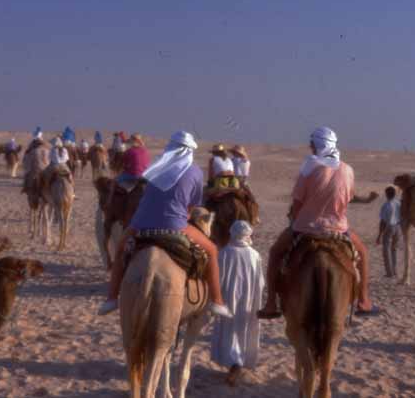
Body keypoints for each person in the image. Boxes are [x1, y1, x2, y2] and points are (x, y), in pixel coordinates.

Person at [97, 131, 232, 318]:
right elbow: (193, 205)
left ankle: (111, 299)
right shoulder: (194, 171)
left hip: (141, 222)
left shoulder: (156, 166)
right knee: (211, 251)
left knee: (120, 249)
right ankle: (217, 301)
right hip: (175, 223)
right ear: (189, 151)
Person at [257, 127, 379, 319]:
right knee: (362, 252)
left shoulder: (309, 167)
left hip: (305, 227)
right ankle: (363, 300)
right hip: (338, 228)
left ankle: (271, 302)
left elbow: (297, 204)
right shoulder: (347, 169)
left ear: (317, 145)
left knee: (275, 253)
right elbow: (346, 200)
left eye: (312, 144)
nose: (310, 147)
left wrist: (296, 222)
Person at [211, 220, 264, 386]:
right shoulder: (255, 255)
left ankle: (232, 361)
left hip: (228, 299)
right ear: (248, 235)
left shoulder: (224, 253)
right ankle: (239, 361)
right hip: (249, 300)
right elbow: (261, 282)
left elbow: (217, 279)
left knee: (228, 327)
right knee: (244, 327)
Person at [107, 133, 151, 205]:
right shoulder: (146, 151)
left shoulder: (129, 151)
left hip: (133, 175)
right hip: (145, 176)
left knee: (114, 182)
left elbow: (122, 164)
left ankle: (109, 202)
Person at [376, 186, 402, 277]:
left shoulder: (386, 205)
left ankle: (389, 272)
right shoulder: (398, 203)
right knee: (394, 249)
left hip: (389, 227)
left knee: (386, 250)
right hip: (398, 227)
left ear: (387, 194)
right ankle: (394, 270)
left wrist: (379, 235)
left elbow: (383, 221)